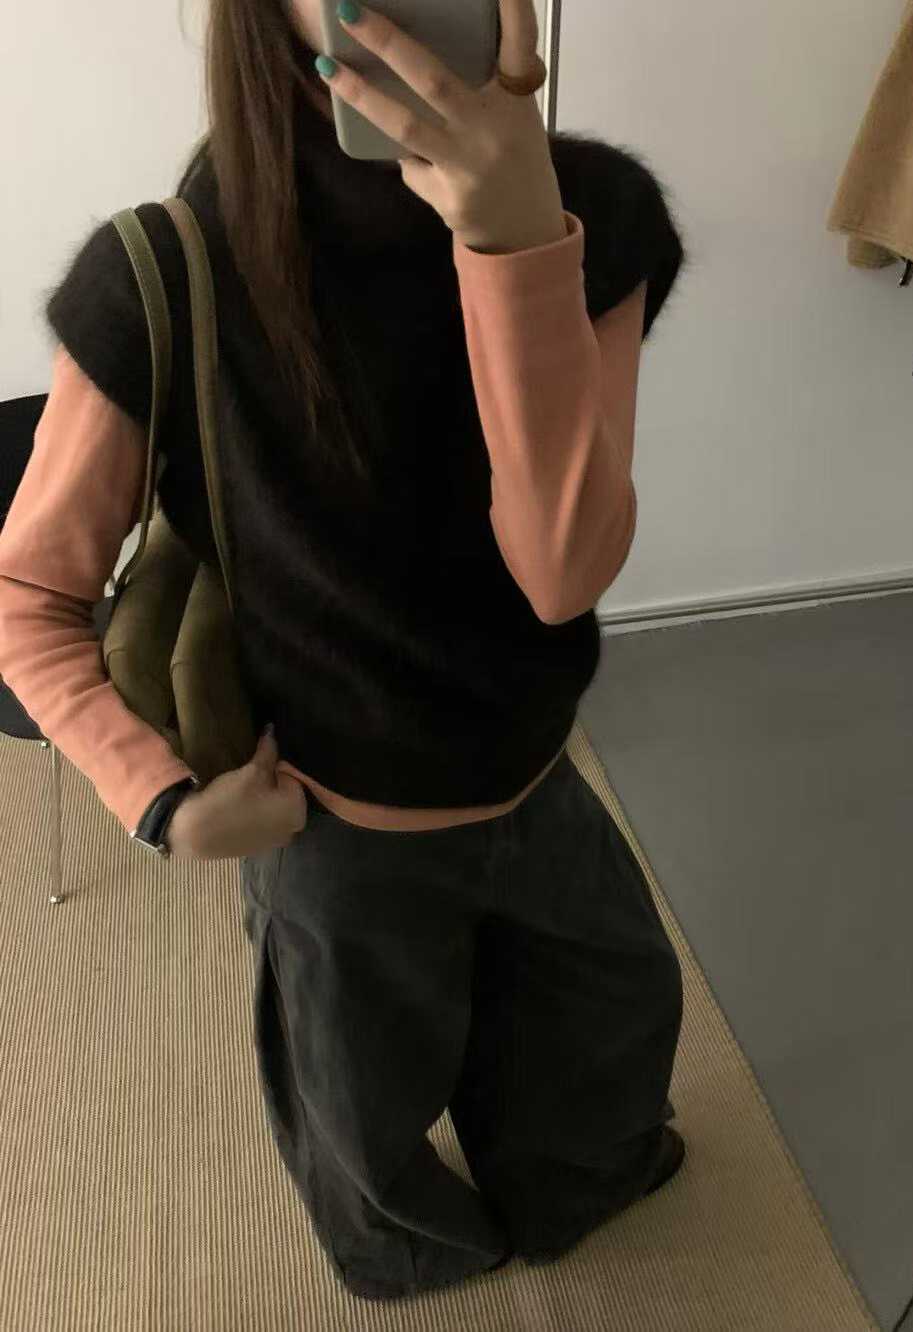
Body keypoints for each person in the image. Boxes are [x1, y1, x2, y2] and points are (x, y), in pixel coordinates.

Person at [0, 0, 687, 1304]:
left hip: (534, 765)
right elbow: (28, 595)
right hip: (327, 816)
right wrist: (160, 800)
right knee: (358, 1108)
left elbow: (560, 573)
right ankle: (406, 1259)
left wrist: (515, 241)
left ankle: (578, 1188)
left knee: (607, 1025)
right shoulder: (169, 268)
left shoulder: (596, 214)